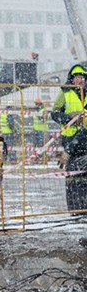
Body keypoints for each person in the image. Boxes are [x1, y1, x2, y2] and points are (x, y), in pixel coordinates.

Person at [53, 64, 87, 211]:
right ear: (72, 79)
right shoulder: (65, 93)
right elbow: (54, 114)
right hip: (71, 141)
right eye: (78, 77)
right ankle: (75, 208)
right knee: (73, 177)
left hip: (84, 139)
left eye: (83, 77)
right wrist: (69, 117)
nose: (80, 80)